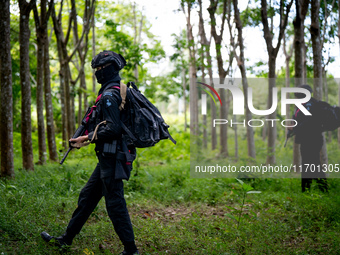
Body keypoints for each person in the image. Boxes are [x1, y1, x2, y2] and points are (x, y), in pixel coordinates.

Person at [41, 51, 139, 255]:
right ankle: (66, 240)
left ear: (109, 69)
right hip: (107, 157)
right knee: (87, 197)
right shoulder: (113, 90)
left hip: (112, 158)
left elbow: (113, 129)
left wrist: (85, 139)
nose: (97, 73)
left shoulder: (110, 95)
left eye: (100, 69)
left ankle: (131, 250)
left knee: (115, 204)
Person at [292, 84, 328, 193]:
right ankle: (307, 190)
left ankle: (322, 189)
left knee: (314, 164)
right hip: (305, 139)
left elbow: (309, 122)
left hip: (313, 139)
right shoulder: (300, 105)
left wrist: (296, 127)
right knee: (307, 164)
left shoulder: (312, 105)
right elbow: (298, 121)